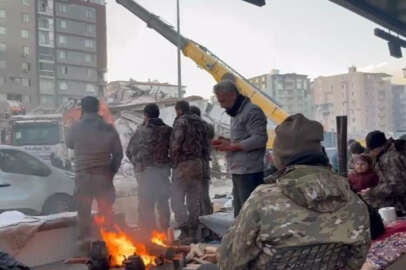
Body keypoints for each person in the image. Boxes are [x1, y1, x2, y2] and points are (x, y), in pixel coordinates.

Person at [217, 114, 371, 270]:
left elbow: (229, 263)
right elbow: (357, 259)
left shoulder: (263, 200)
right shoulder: (354, 202)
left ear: (279, 158)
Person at [66, 96, 123, 245]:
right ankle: (112, 243)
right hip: (102, 176)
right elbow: (118, 154)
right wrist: (110, 172)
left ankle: (84, 245)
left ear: (82, 110)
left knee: (83, 212)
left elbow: (70, 144)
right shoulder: (108, 127)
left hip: (83, 176)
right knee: (106, 210)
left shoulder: (75, 127)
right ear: (98, 109)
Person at [212, 80, 267, 217]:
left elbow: (260, 138)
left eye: (223, 101)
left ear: (233, 95)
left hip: (249, 172)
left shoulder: (252, 111)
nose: (221, 106)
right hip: (238, 170)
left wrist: (232, 146)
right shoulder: (236, 114)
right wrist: (227, 142)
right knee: (240, 214)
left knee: (249, 215)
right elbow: (242, 139)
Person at [126, 103, 172, 236]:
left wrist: (138, 166)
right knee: (163, 202)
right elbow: (175, 150)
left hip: (145, 173)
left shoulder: (141, 131)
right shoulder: (168, 130)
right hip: (162, 173)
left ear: (145, 115)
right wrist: (167, 163)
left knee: (146, 204)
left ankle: (148, 234)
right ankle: (165, 232)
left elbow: (129, 151)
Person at [170, 100, 208, 242]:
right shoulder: (201, 123)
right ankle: (194, 232)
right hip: (198, 164)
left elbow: (176, 144)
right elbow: (206, 145)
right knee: (194, 199)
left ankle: (184, 229)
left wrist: (173, 161)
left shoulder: (181, 122)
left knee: (176, 197)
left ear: (179, 110)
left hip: (183, 164)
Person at [361, 130, 406, 216]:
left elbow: (397, 185)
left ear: (377, 148)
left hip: (401, 205)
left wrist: (372, 192)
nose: (371, 153)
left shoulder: (390, 158)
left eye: (371, 150)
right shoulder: (396, 148)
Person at [190, 105, 215, 215]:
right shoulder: (208, 127)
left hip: (193, 164)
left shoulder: (189, 128)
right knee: (204, 193)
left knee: (192, 194)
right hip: (204, 163)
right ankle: (208, 218)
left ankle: (196, 219)